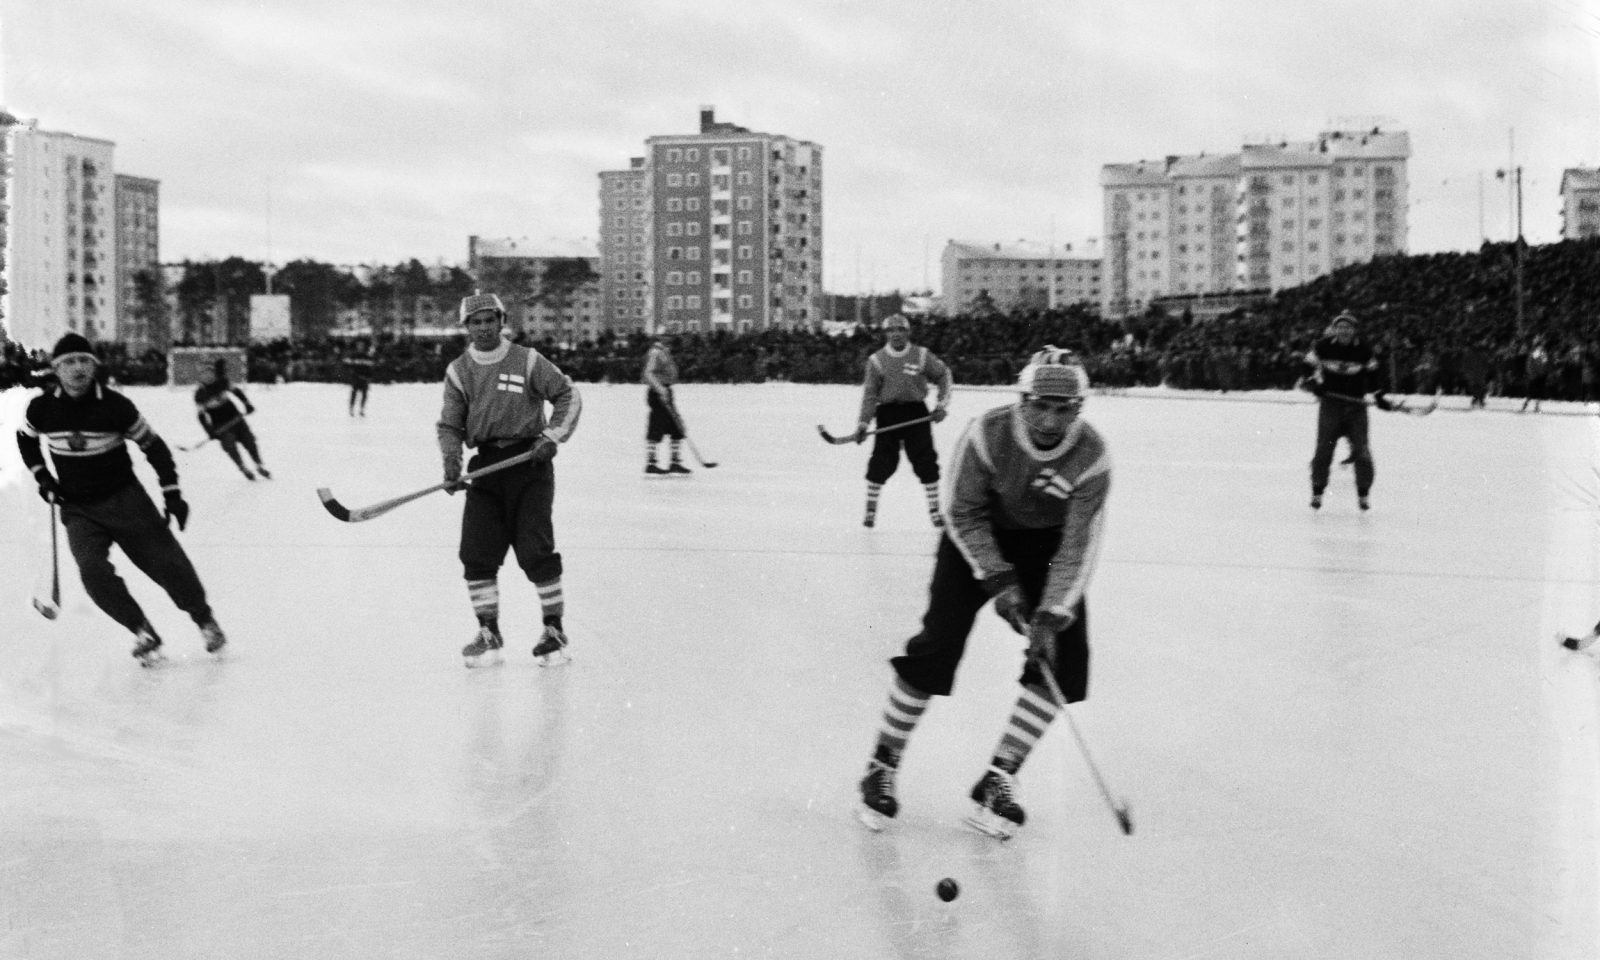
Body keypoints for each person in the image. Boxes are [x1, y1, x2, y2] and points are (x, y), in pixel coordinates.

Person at [856, 346, 1110, 840]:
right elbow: (962, 513)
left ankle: (999, 778)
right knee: (937, 647)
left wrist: (1051, 615)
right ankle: (881, 765)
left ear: (1078, 409)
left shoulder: (1093, 457)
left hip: (1047, 549)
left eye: (1064, 409)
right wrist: (999, 580)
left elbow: (1079, 545)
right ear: (1022, 400)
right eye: (1039, 405)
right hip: (977, 537)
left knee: (1062, 660)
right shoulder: (987, 434)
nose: (1050, 421)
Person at [15, 333, 227, 665]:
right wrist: (44, 478)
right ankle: (143, 631)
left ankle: (205, 621)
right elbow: (25, 440)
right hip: (78, 508)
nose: (78, 368)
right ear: (55, 369)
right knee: (93, 573)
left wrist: (172, 493)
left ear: (94, 366)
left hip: (125, 500)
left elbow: (154, 447)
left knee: (169, 565)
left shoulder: (115, 406)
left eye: (84, 361)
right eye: (69, 362)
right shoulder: (42, 409)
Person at [438, 293, 582, 667]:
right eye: (476, 321)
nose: (484, 327)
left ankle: (553, 628)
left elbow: (567, 395)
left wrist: (551, 437)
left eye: (490, 320)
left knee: (535, 551)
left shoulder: (528, 359)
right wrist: (452, 464)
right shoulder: (459, 370)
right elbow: (450, 425)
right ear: (465, 327)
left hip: (528, 464)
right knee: (476, 553)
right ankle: (489, 630)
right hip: (486, 468)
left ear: (502, 321)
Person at [851, 314, 953, 528]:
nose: (896, 334)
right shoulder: (877, 360)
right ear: (886, 334)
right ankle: (870, 512)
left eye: (900, 330)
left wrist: (941, 405)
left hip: (916, 413)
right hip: (888, 414)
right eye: (891, 330)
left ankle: (935, 511)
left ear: (908, 332)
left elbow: (944, 375)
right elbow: (870, 394)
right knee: (881, 462)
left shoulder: (921, 355)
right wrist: (863, 424)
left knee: (926, 461)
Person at [1301, 312, 1393, 511]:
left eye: (1348, 327)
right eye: (1340, 327)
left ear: (1354, 330)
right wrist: (1314, 383)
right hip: (1331, 405)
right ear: (1335, 329)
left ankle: (1363, 494)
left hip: (1356, 407)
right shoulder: (1323, 346)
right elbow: (1306, 366)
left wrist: (1379, 396)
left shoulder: (1363, 350)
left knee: (1362, 451)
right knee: (1324, 451)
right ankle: (1317, 492)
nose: (1344, 331)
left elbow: (1374, 374)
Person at [194, 358, 271, 480]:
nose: (208, 376)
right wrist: (209, 431)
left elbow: (237, 392)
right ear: (200, 377)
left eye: (210, 373)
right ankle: (243, 468)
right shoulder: (200, 394)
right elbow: (201, 416)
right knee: (230, 446)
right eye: (204, 374)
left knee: (250, 441)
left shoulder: (223, 382)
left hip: (236, 419)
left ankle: (259, 465)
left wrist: (247, 403)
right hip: (220, 425)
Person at [641, 334, 689, 476]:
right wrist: (660, 389)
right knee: (656, 425)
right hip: (658, 393)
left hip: (666, 391)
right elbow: (648, 374)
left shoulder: (664, 352)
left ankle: (675, 462)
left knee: (676, 426)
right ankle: (651, 463)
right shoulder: (655, 353)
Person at [346, 351, 374, 417]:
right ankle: (352, 409)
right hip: (356, 378)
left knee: (364, 394)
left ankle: (362, 409)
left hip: (364, 379)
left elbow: (370, 369)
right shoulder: (354, 356)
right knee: (354, 394)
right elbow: (350, 366)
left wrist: (368, 377)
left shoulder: (368, 358)